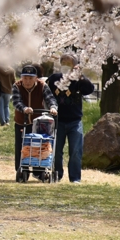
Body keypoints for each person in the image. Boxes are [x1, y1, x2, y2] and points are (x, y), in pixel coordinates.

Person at [47, 53, 94, 183]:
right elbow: (45, 92)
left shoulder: (78, 80)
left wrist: (80, 75)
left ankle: (75, 178)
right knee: (56, 151)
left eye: (69, 64)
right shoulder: (54, 79)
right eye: (64, 63)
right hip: (57, 120)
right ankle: (57, 175)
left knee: (75, 150)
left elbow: (90, 89)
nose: (66, 67)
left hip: (75, 121)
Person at [11, 65, 58, 178]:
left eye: (30, 78)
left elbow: (50, 98)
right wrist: (24, 109)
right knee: (22, 146)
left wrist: (53, 107)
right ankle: (22, 170)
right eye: (25, 78)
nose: (27, 81)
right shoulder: (16, 86)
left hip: (38, 122)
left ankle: (39, 171)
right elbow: (16, 101)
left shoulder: (42, 86)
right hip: (22, 121)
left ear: (36, 78)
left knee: (39, 146)